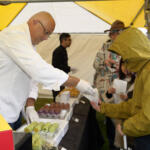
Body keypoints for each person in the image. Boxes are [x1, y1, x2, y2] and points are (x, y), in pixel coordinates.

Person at [0, 11, 97, 130]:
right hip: (2, 114)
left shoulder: (29, 44)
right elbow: (38, 70)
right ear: (34, 22)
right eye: (46, 32)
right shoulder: (13, 35)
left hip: (14, 111)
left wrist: (30, 105)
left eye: (49, 35)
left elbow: (31, 77)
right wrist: (77, 82)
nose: (46, 38)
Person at [91, 20, 150, 150]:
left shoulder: (147, 72)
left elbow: (147, 118)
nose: (125, 66)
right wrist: (106, 108)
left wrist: (125, 127)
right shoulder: (143, 70)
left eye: (125, 59)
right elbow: (135, 105)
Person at [52, 33, 76, 101]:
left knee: (62, 97)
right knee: (57, 98)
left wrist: (68, 69)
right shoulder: (58, 51)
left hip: (61, 77)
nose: (70, 42)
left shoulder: (63, 50)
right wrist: (69, 68)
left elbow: (62, 64)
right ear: (63, 40)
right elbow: (56, 65)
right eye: (69, 40)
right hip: (57, 78)